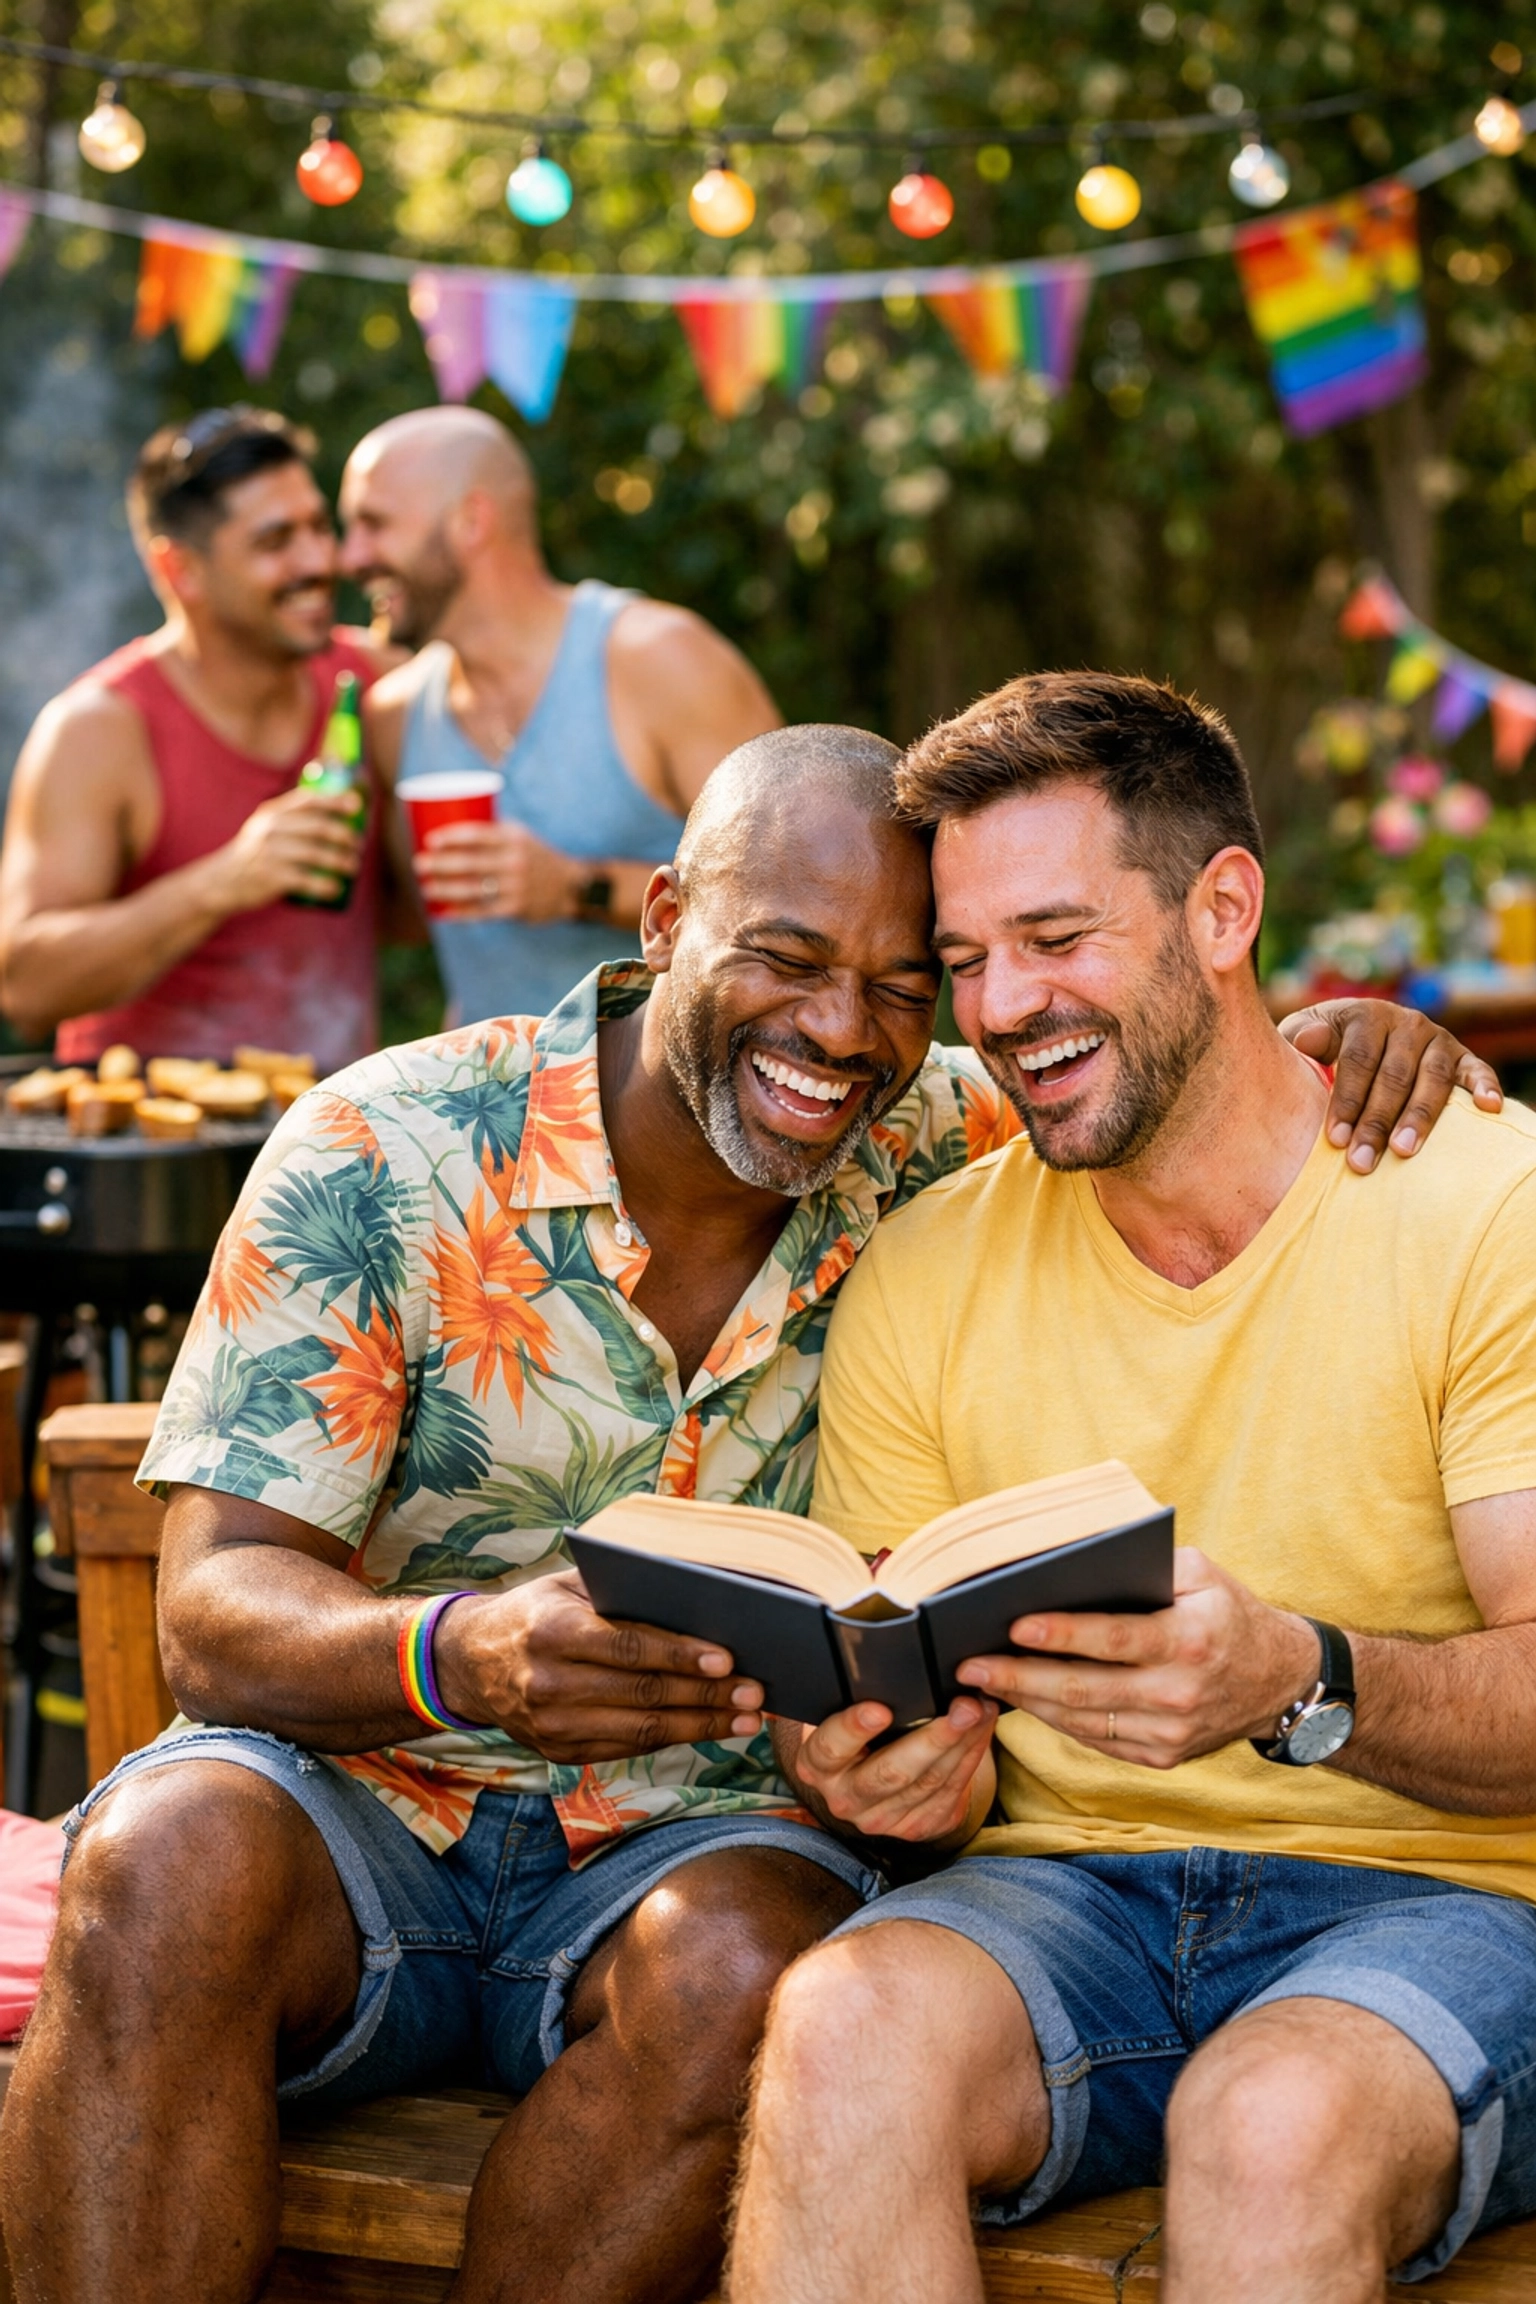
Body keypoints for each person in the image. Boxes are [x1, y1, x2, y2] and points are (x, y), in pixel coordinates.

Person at [0, 721, 1492, 2304]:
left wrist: (1343, 1039)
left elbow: (1156, 1063)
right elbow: (214, 1613)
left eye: (907, 984)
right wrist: (471, 1654)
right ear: (663, 925)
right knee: (167, 1858)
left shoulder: (937, 1143)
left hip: (711, 1851)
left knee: (746, 1967)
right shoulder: (389, 1149)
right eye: (782, 958)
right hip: (372, 1812)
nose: (840, 1031)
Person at [725, 675, 1536, 2304]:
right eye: (964, 962)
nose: (1003, 1002)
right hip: (1065, 1889)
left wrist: (1304, 1679)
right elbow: (904, 1689)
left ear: (1222, 907)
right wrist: (883, 1766)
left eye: (1057, 935)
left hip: (1455, 1894)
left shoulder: (1485, 1205)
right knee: (838, 2028)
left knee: (1275, 2114)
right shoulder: (928, 1255)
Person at [338, 404, 781, 1023]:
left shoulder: (661, 662)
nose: (349, 557)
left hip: (678, 1107)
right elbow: (411, 919)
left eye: (373, 525)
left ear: (472, 521)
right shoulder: (394, 716)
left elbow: (794, 891)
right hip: (493, 1104)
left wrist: (578, 886)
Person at [0, 407, 395, 1075]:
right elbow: (24, 986)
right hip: (149, 1151)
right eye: (275, 542)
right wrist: (227, 879)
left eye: (318, 528)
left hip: (338, 1146)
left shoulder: (378, 687)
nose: (319, 561)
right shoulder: (98, 729)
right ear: (180, 569)